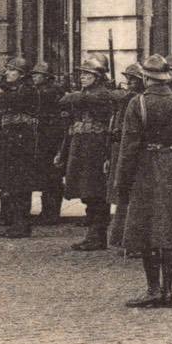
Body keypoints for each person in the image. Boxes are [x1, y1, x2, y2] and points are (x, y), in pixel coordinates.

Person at [115, 54, 172, 308]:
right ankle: (167, 291)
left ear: (146, 78)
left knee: (147, 231)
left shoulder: (138, 103)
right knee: (170, 231)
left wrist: (122, 183)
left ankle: (153, 289)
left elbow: (129, 147)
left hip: (145, 169)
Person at [61, 57, 124, 252]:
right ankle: (93, 234)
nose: (83, 77)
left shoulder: (102, 94)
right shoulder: (85, 93)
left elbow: (75, 99)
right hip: (81, 145)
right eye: (82, 74)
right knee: (87, 192)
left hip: (96, 147)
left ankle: (97, 235)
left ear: (98, 77)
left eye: (88, 74)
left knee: (95, 191)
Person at [0, 57, 40, 239]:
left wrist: (1, 91)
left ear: (21, 74)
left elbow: (10, 100)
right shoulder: (14, 89)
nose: (7, 73)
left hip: (22, 142)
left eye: (11, 70)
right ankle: (15, 222)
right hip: (10, 139)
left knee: (20, 183)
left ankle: (21, 224)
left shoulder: (27, 90)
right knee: (10, 182)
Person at [106, 62, 146, 248]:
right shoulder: (128, 98)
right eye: (128, 78)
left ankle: (134, 240)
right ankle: (124, 238)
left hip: (134, 151)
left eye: (134, 79)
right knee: (123, 196)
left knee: (132, 196)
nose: (129, 82)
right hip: (120, 146)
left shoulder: (137, 99)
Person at [28, 61, 66, 223]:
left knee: (52, 177)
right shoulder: (39, 90)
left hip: (51, 136)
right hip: (41, 135)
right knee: (45, 175)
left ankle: (51, 213)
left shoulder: (52, 91)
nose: (34, 77)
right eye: (33, 75)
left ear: (46, 77)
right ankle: (48, 212)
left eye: (37, 75)